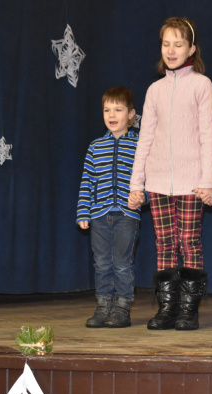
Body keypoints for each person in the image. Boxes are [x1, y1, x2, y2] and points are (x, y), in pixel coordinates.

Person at [128, 17, 212, 331]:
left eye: (178, 44)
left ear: (191, 49)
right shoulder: (155, 90)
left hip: (192, 182)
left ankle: (188, 311)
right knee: (164, 244)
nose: (171, 50)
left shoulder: (202, 85)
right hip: (157, 182)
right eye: (166, 44)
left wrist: (209, 181)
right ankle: (167, 308)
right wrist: (136, 184)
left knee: (189, 242)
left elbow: (208, 135)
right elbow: (145, 139)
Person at [77, 86, 143, 328]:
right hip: (99, 215)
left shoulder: (139, 145)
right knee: (102, 263)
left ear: (131, 114)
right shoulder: (96, 146)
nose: (112, 115)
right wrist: (83, 212)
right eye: (107, 110)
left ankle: (122, 307)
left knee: (122, 263)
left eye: (118, 109)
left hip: (127, 214)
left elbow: (145, 178)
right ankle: (104, 305)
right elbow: (87, 181)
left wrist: (142, 196)